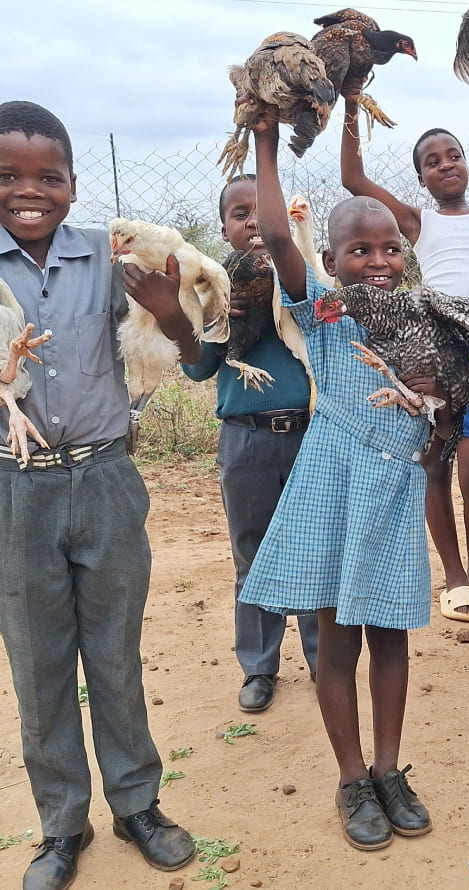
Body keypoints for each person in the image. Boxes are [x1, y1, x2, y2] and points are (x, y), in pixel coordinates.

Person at [0, 100, 197, 889]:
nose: (29, 191)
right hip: (15, 489)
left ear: (74, 186)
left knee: (113, 652)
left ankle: (137, 802)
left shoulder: (113, 258)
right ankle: (60, 825)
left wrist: (170, 312)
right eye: (9, 176)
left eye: (49, 177)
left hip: (106, 478)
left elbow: (186, 348)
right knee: (39, 662)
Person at [238, 104, 445, 851]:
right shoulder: (326, 312)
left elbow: (452, 410)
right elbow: (274, 237)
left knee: (390, 633)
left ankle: (391, 770)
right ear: (333, 257)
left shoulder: (427, 320)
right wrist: (265, 141)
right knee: (337, 638)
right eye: (359, 250)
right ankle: (351, 775)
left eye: (390, 247)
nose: (380, 262)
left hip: (394, 491)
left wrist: (437, 400)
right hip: (332, 485)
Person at [341, 70, 469, 622]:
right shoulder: (415, 222)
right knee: (434, 465)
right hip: (431, 357)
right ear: (421, 178)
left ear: (465, 162)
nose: (445, 164)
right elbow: (352, 175)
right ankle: (452, 575)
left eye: (452, 154)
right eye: (432, 161)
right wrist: (354, 102)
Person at [181, 174, 318, 713]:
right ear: (224, 229)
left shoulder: (304, 279)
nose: (254, 222)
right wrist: (218, 321)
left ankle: (320, 655)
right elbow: (196, 370)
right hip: (245, 440)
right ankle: (259, 666)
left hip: (308, 435)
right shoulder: (211, 288)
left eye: (265, 211)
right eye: (241, 214)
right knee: (252, 551)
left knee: (309, 546)